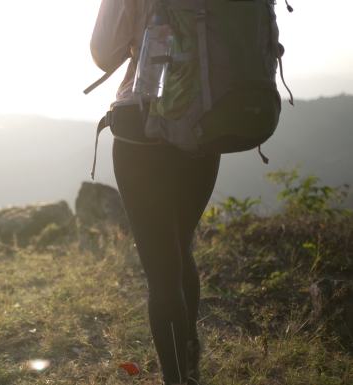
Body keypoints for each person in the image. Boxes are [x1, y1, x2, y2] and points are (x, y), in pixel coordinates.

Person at [91, 1, 220, 384]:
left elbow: (103, 53)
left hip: (142, 125)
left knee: (163, 271)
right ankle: (191, 371)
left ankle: (178, 379)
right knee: (180, 246)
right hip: (204, 121)